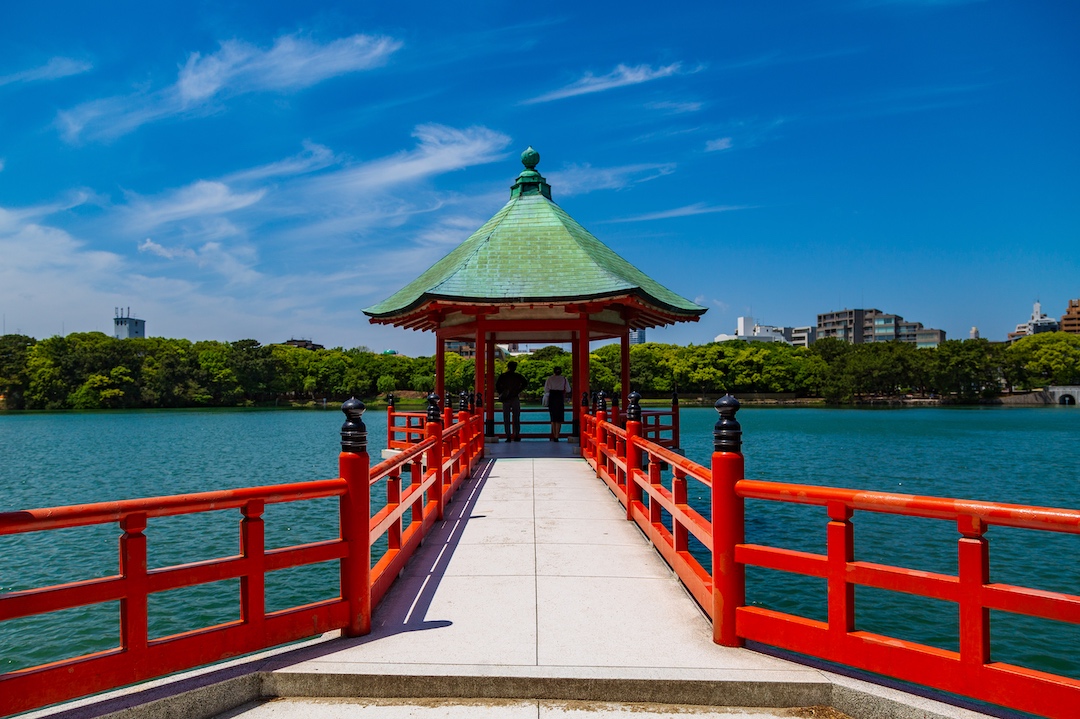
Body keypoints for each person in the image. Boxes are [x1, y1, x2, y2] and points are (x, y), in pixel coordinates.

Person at [495, 360, 527, 441]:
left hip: (506, 398)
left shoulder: (503, 376)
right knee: (516, 417)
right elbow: (525, 383)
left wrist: (502, 392)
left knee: (506, 418)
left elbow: (497, 385)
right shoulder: (517, 376)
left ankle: (508, 436)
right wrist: (518, 390)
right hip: (515, 397)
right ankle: (516, 435)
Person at [543, 367, 572, 441]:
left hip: (552, 397)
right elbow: (568, 389)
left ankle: (553, 435)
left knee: (553, 417)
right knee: (559, 418)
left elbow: (546, 389)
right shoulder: (564, 379)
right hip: (560, 397)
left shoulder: (549, 379)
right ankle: (557, 436)